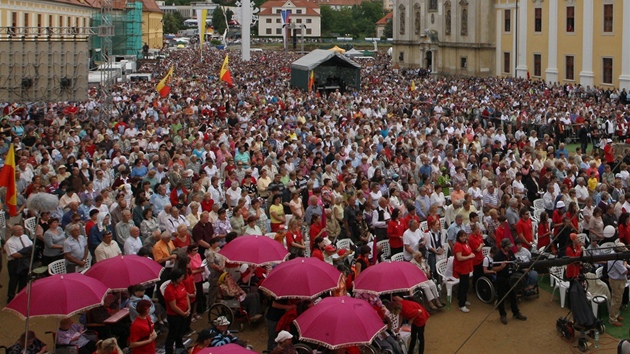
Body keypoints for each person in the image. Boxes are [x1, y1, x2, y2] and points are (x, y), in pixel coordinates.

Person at [492, 239, 527, 325]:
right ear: (503, 246)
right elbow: (493, 268)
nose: (510, 248)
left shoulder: (510, 253)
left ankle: (516, 313)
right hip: (501, 279)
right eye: (508, 246)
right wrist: (501, 267)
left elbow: (514, 262)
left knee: (513, 296)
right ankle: (503, 315)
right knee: (501, 298)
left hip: (511, 278)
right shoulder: (497, 256)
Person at [163, 268, 190, 354]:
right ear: (176, 278)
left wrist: (188, 308)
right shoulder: (169, 290)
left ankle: (179, 347)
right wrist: (183, 313)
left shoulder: (181, 284)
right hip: (174, 316)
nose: (183, 278)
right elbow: (173, 306)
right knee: (172, 335)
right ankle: (169, 351)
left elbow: (186, 295)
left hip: (184, 313)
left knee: (180, 333)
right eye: (181, 277)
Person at [5, 225, 33, 303]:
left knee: (24, 279)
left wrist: (25, 253)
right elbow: (14, 255)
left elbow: (31, 246)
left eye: (22, 229)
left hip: (25, 261)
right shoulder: (10, 242)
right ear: (16, 232)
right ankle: (11, 298)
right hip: (15, 263)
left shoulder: (25, 237)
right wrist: (26, 253)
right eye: (20, 230)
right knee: (14, 280)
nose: (22, 230)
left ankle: (21, 295)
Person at [607, 240, 628, 327]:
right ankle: (613, 319)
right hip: (617, 281)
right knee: (617, 299)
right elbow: (625, 271)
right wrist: (626, 261)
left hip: (617, 279)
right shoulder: (616, 260)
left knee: (617, 298)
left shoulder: (614, 253)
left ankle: (616, 314)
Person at [453, 230, 474, 313]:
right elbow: (459, 258)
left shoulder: (466, 243)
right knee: (463, 286)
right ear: (458, 237)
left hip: (467, 267)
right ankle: (461, 305)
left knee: (465, 285)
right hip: (462, 268)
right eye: (462, 236)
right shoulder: (458, 245)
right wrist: (470, 256)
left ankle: (463, 299)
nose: (464, 237)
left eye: (465, 236)